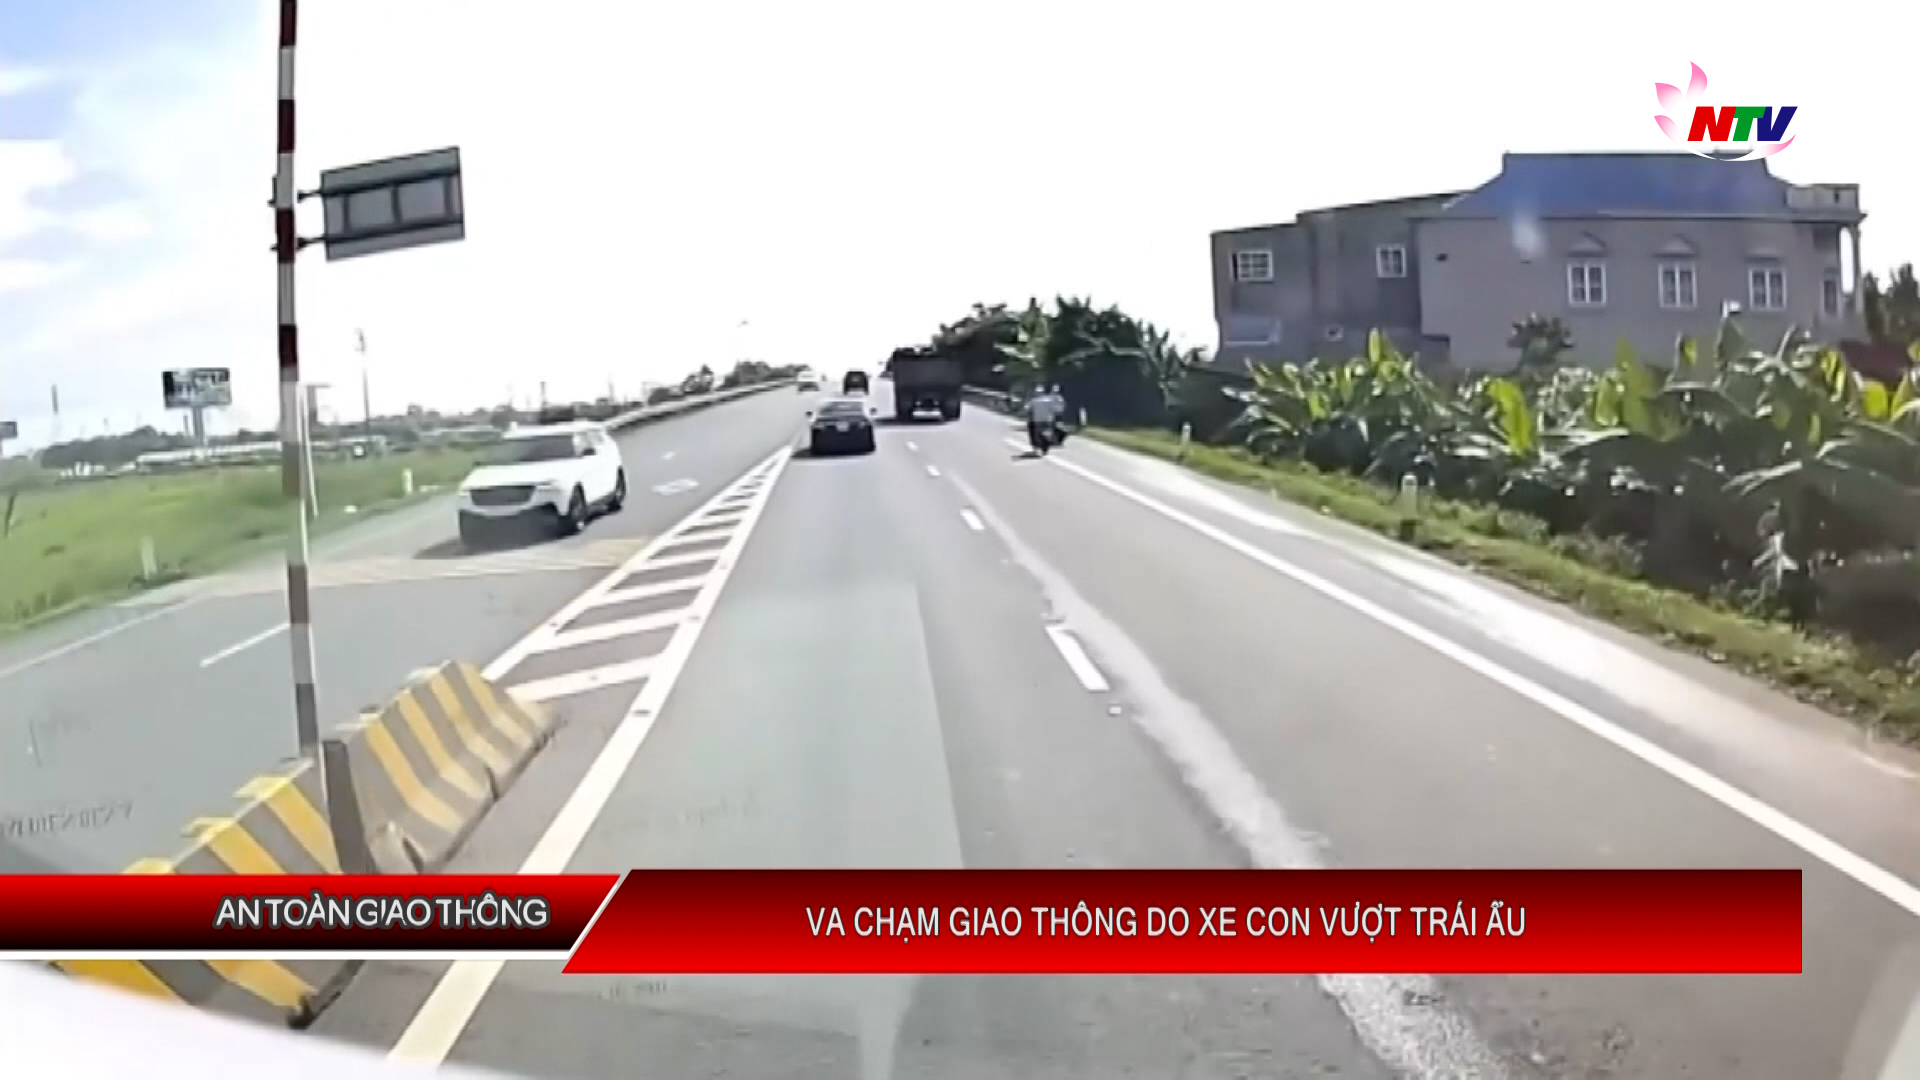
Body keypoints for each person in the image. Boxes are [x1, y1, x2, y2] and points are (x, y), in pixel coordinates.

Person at [1026, 385, 1063, 452]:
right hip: (1048, 420)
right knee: (1049, 430)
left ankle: (1037, 445)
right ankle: (1050, 441)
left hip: (1037, 420)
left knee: (1036, 433)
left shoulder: (1033, 401)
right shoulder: (1049, 400)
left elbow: (1028, 409)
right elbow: (1054, 409)